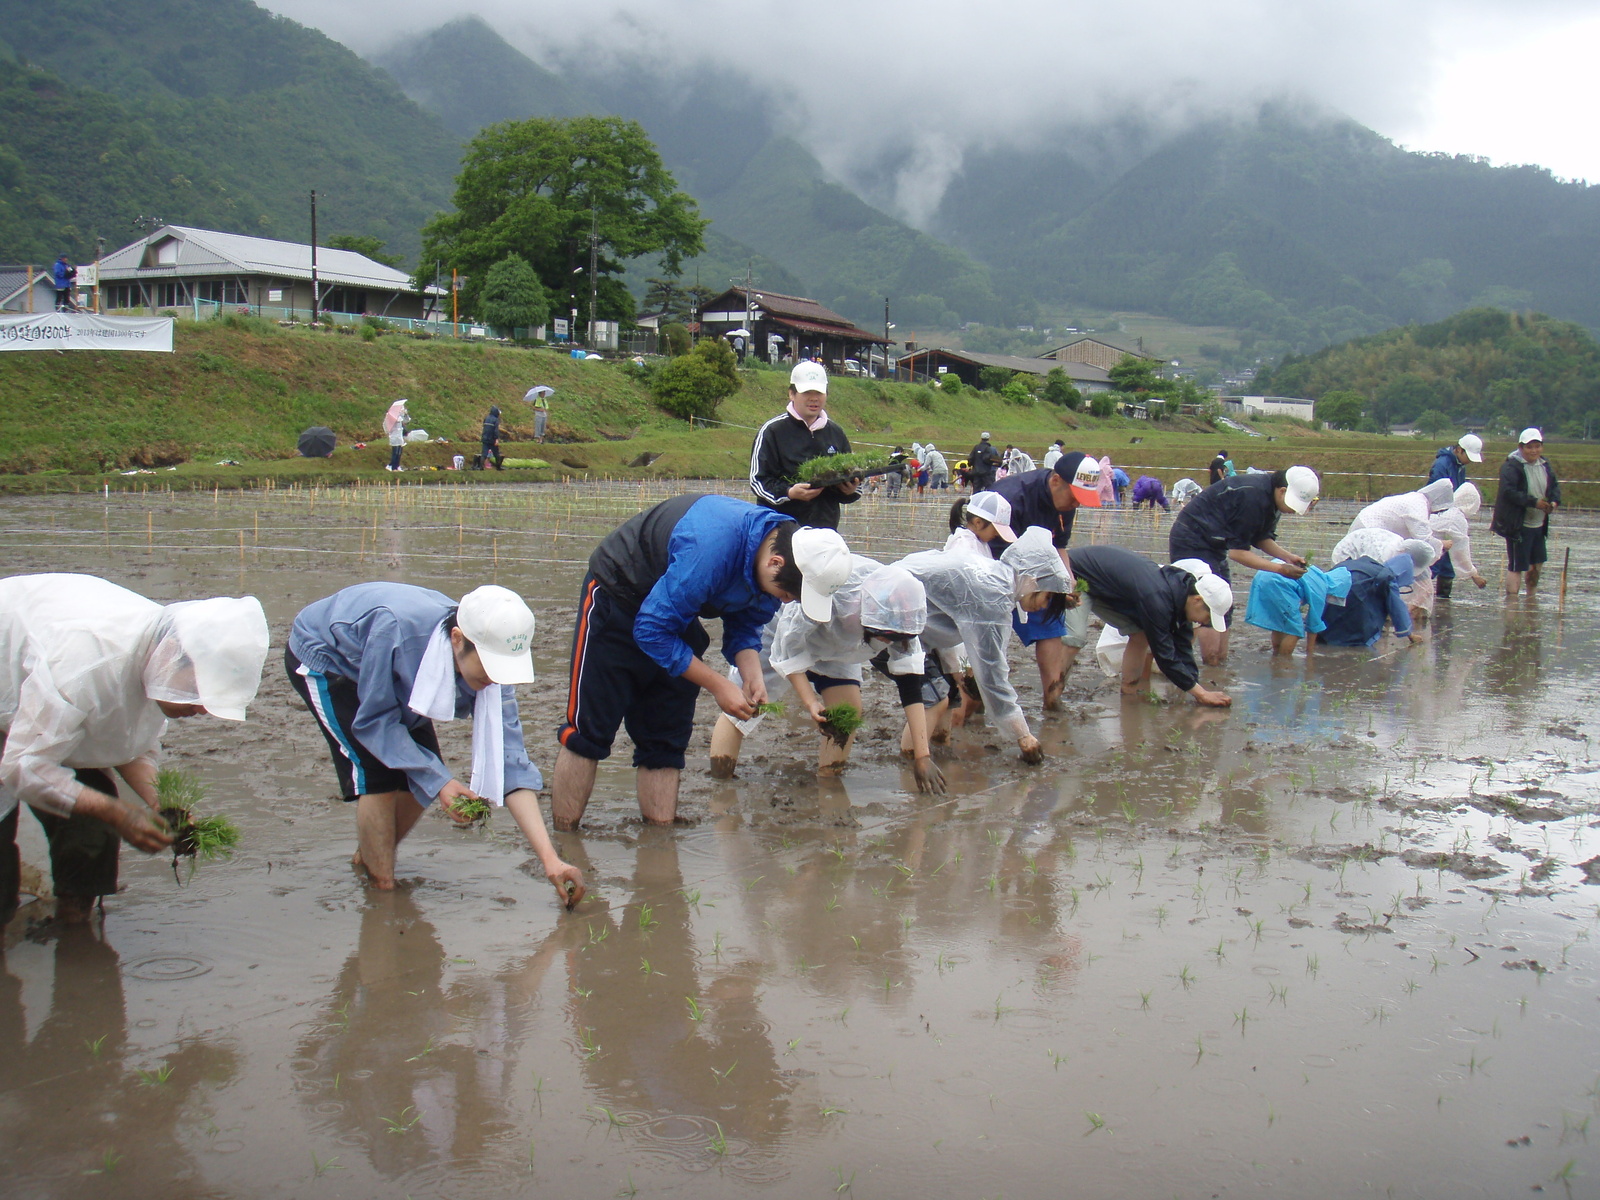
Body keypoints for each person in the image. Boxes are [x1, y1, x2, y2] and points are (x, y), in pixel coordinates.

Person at [552, 496, 850, 830]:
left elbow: (747, 621)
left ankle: (659, 845)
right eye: (788, 596)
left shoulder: (778, 549)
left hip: (677, 614)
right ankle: (565, 842)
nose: (789, 602)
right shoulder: (711, 548)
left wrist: (751, 674)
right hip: (619, 596)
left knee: (666, 740)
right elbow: (650, 630)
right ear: (775, 563)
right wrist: (719, 685)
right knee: (589, 733)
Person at [1, 575, 270, 925]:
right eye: (200, 691)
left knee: (89, 825)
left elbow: (130, 745)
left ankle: (75, 926)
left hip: (48, 707)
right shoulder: (85, 663)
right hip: (12, 681)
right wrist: (119, 813)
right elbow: (23, 768)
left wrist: (158, 804)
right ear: (175, 659)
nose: (202, 708)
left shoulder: (156, 655)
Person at [287, 583, 581, 900]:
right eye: (489, 669)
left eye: (502, 671)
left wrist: (551, 861)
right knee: (380, 777)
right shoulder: (396, 630)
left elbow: (510, 760)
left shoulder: (496, 671)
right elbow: (374, 723)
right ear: (457, 640)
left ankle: (369, 857)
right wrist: (441, 782)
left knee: (421, 779)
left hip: (399, 666)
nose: (494, 681)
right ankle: (382, 894)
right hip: (330, 657)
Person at [707, 561, 943, 791]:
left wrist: (922, 756)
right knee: (746, 704)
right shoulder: (832, 599)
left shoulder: (900, 612)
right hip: (784, 629)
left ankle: (828, 782)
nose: (887, 643)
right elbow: (790, 651)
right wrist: (811, 702)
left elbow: (910, 685)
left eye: (893, 638)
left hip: (841, 643)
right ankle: (721, 784)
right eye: (883, 636)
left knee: (848, 710)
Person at [896, 527, 1072, 764]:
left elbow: (946, 624)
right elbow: (992, 675)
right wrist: (1023, 736)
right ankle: (912, 762)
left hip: (913, 619)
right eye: (1047, 597)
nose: (1043, 606)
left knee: (949, 692)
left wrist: (958, 673)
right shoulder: (994, 596)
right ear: (1033, 579)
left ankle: (940, 747)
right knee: (933, 699)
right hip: (894, 616)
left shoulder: (996, 578)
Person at [977, 452, 1103, 708]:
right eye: (1075, 497)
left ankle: (1052, 699)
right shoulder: (1012, 497)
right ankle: (976, 701)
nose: (1076, 505)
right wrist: (1032, 591)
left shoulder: (1064, 505)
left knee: (1052, 623)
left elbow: (1059, 546)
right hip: (990, 567)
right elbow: (992, 553)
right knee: (988, 638)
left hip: (1031, 570)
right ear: (1056, 480)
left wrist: (1066, 583)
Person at [1167, 466, 1320, 662]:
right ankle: (1196, 662)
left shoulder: (1272, 500)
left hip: (1216, 545)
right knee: (1208, 601)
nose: (1292, 510)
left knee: (1224, 603)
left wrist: (1287, 557)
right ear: (1282, 491)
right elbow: (1238, 553)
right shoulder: (1253, 497)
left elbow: (1261, 537)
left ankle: (1217, 663)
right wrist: (1281, 569)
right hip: (1193, 539)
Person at [1065, 547, 1234, 705]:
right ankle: (1052, 700)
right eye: (1208, 617)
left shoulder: (1182, 595)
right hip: (1076, 572)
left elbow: (1183, 648)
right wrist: (1202, 694)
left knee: (1140, 635)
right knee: (1075, 638)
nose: (1205, 623)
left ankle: (1129, 693)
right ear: (1198, 600)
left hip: (1106, 586)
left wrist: (1195, 686)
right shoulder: (1159, 598)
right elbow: (1164, 654)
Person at [749, 362, 861, 529]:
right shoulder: (772, 431)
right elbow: (758, 481)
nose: (814, 398)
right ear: (792, 394)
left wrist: (849, 490)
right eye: (807, 392)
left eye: (819, 392)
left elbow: (854, 480)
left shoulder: (836, 433)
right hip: (781, 531)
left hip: (825, 531)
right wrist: (789, 492)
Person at [1491, 428, 1561, 597]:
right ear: (1521, 447)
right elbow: (1509, 492)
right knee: (1517, 566)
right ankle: (1512, 603)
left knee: (1536, 564)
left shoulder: (1544, 464)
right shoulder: (1512, 466)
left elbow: (1554, 487)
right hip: (1518, 524)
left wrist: (1553, 502)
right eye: (1529, 447)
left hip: (1539, 524)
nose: (1534, 450)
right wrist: (1534, 502)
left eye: (1537, 446)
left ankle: (1531, 599)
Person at [1244, 559, 1353, 657]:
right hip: (1278, 580)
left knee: (1279, 624)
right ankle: (1283, 662)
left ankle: (1276, 654)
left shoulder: (1317, 574)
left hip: (1264, 573)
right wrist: (1309, 655)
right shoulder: (1321, 587)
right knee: (1295, 630)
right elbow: (1314, 624)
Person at [1317, 551, 1426, 649]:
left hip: (1331, 589)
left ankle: (1319, 635)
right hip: (1353, 599)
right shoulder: (1387, 577)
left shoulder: (1367, 563)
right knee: (1355, 623)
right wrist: (1409, 635)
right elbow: (1397, 609)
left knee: (1329, 616)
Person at [1347, 479, 1455, 560]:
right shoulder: (1418, 507)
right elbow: (1423, 540)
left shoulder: (1415, 499)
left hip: (1365, 524)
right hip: (1369, 529)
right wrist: (1442, 544)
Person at [1428, 436, 1482, 596]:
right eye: (1468, 456)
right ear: (1459, 449)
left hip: (1450, 514)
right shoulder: (1442, 465)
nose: (1469, 461)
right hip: (1438, 516)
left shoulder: (1459, 465)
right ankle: (1421, 596)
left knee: (1447, 562)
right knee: (1434, 558)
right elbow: (1436, 492)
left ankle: (1443, 600)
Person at [1429, 482, 1489, 596]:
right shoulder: (1457, 518)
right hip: (1428, 554)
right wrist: (1474, 575)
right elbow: (1460, 552)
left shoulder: (1445, 509)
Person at [383, 398, 409, 472]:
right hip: (394, 436)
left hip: (399, 436)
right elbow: (387, 425)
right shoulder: (391, 416)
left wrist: (406, 414)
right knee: (395, 452)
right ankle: (392, 466)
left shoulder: (400, 416)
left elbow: (406, 421)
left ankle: (397, 465)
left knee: (399, 452)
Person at [478, 405, 503, 471]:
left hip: (485, 438)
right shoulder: (495, 420)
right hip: (492, 439)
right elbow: (496, 430)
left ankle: (481, 467)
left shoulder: (486, 418)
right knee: (496, 453)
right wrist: (496, 439)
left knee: (484, 453)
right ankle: (498, 467)